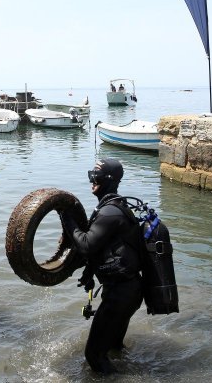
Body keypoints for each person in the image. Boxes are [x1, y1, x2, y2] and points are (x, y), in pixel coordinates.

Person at [60, 158, 143, 374]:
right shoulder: (113, 208)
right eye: (91, 175)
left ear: (108, 180)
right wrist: (89, 272)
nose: (91, 181)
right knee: (114, 348)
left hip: (120, 295)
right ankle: (126, 371)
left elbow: (86, 245)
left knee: (94, 356)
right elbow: (103, 249)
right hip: (129, 291)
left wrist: (67, 218)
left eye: (95, 176)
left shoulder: (110, 212)